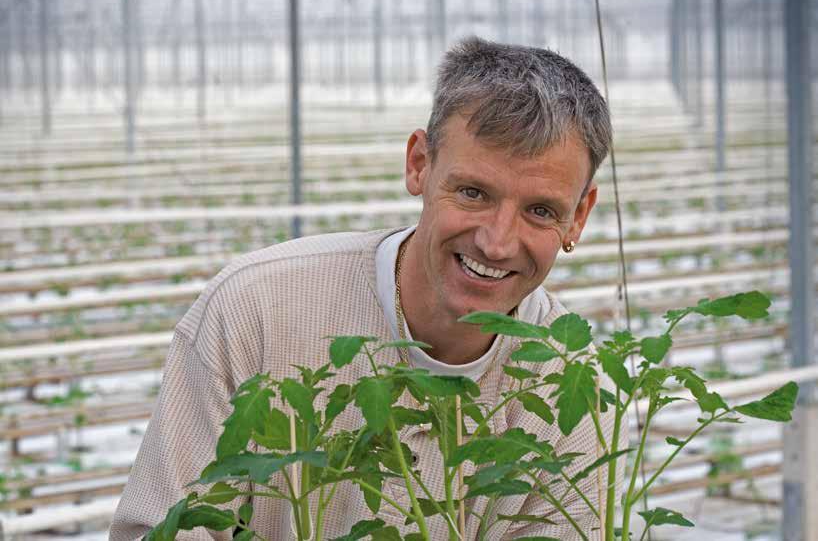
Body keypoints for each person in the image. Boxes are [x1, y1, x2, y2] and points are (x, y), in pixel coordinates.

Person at [110, 36, 619, 540]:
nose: (497, 242)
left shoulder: (566, 375)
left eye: (540, 211)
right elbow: (158, 530)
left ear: (579, 217)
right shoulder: (255, 310)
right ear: (419, 164)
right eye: (472, 193)